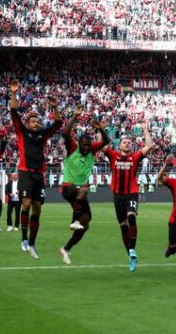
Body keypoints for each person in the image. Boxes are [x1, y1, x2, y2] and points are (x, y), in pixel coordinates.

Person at [10, 80, 62, 259]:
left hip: (39, 175)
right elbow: (13, 112)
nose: (36, 123)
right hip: (25, 173)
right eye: (33, 121)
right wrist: (14, 93)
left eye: (38, 121)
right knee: (25, 203)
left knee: (37, 208)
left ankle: (32, 242)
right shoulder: (21, 132)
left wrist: (55, 107)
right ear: (28, 123)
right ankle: (24, 239)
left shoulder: (42, 134)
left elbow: (58, 124)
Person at [58, 107, 110, 265]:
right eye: (84, 145)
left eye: (89, 145)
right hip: (68, 187)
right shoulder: (72, 147)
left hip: (80, 193)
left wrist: (101, 130)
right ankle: (74, 220)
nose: (87, 148)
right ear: (79, 143)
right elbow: (65, 133)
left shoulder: (92, 150)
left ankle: (66, 249)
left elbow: (106, 142)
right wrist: (75, 116)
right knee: (82, 191)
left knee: (86, 223)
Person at [104, 120, 153, 271]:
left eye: (129, 142)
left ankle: (132, 249)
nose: (127, 143)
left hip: (131, 192)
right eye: (124, 142)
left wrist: (145, 130)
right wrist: (103, 129)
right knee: (123, 227)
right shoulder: (113, 156)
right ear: (119, 146)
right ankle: (131, 254)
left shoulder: (135, 157)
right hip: (118, 195)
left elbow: (149, 146)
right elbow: (103, 146)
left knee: (131, 216)